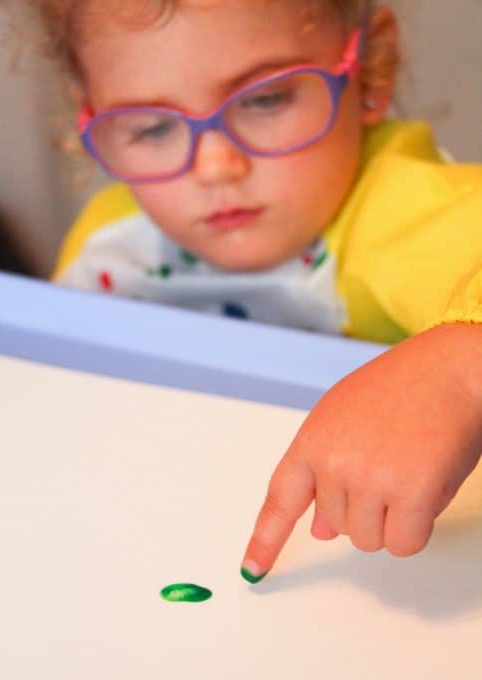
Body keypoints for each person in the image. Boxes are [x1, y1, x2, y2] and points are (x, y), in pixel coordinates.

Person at [31, 0, 481, 582]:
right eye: (151, 127)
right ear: (88, 113)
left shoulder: (404, 209)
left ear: (370, 66)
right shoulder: (109, 239)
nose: (216, 166)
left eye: (266, 99)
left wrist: (464, 365)